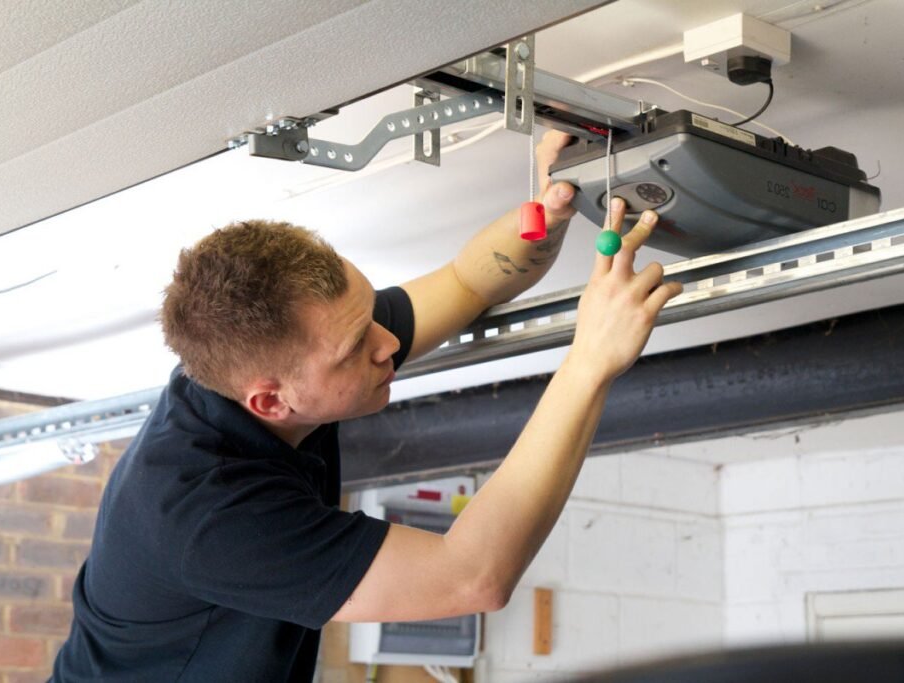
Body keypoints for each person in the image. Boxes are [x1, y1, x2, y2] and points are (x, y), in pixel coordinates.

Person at [51, 131, 683, 681]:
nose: (389, 344)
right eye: (358, 346)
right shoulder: (207, 515)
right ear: (270, 400)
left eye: (367, 314)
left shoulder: (274, 362)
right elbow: (474, 577)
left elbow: (467, 281)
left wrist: (550, 210)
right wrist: (590, 362)